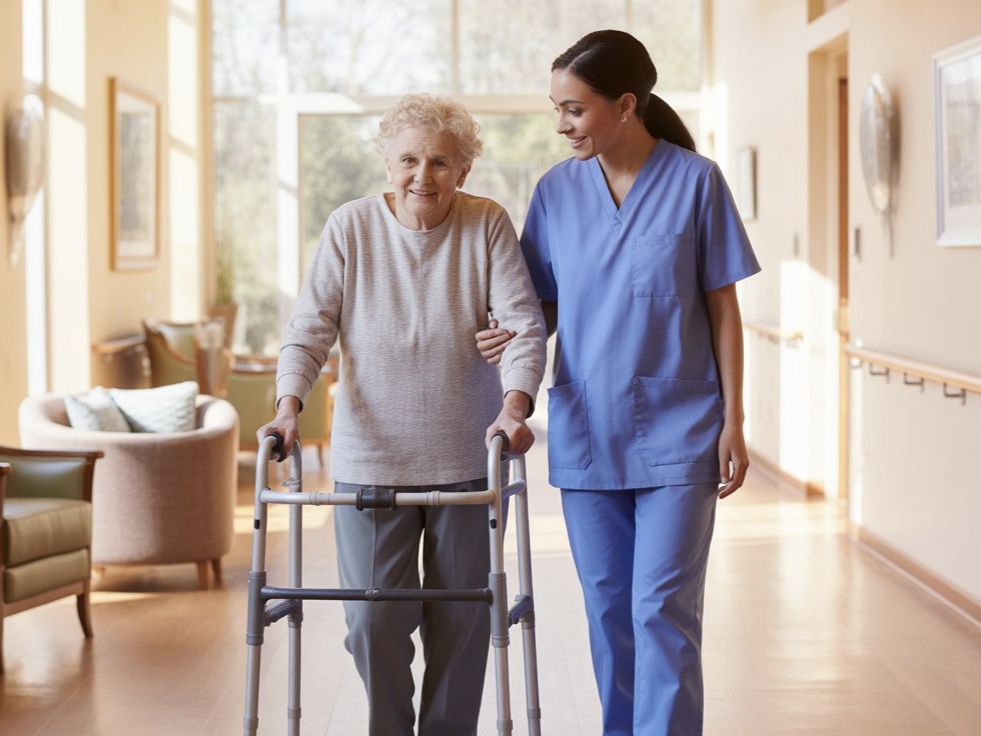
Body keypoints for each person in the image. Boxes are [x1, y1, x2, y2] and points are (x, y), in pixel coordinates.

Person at [476, 29, 761, 736]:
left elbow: (723, 309)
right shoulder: (555, 192)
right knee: (608, 612)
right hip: (587, 428)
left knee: (661, 609)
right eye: (557, 109)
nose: (561, 124)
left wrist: (734, 419)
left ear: (626, 104)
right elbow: (538, 306)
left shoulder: (695, 182)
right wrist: (508, 336)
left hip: (681, 431)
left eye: (574, 109)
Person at [259, 92, 547, 736]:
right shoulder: (350, 227)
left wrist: (515, 404)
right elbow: (310, 329)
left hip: (468, 457)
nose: (424, 175)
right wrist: (287, 406)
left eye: (441, 161)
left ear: (463, 169)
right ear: (387, 163)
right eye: (409, 160)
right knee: (371, 619)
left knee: (463, 620)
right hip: (371, 459)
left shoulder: (486, 223)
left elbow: (523, 325)